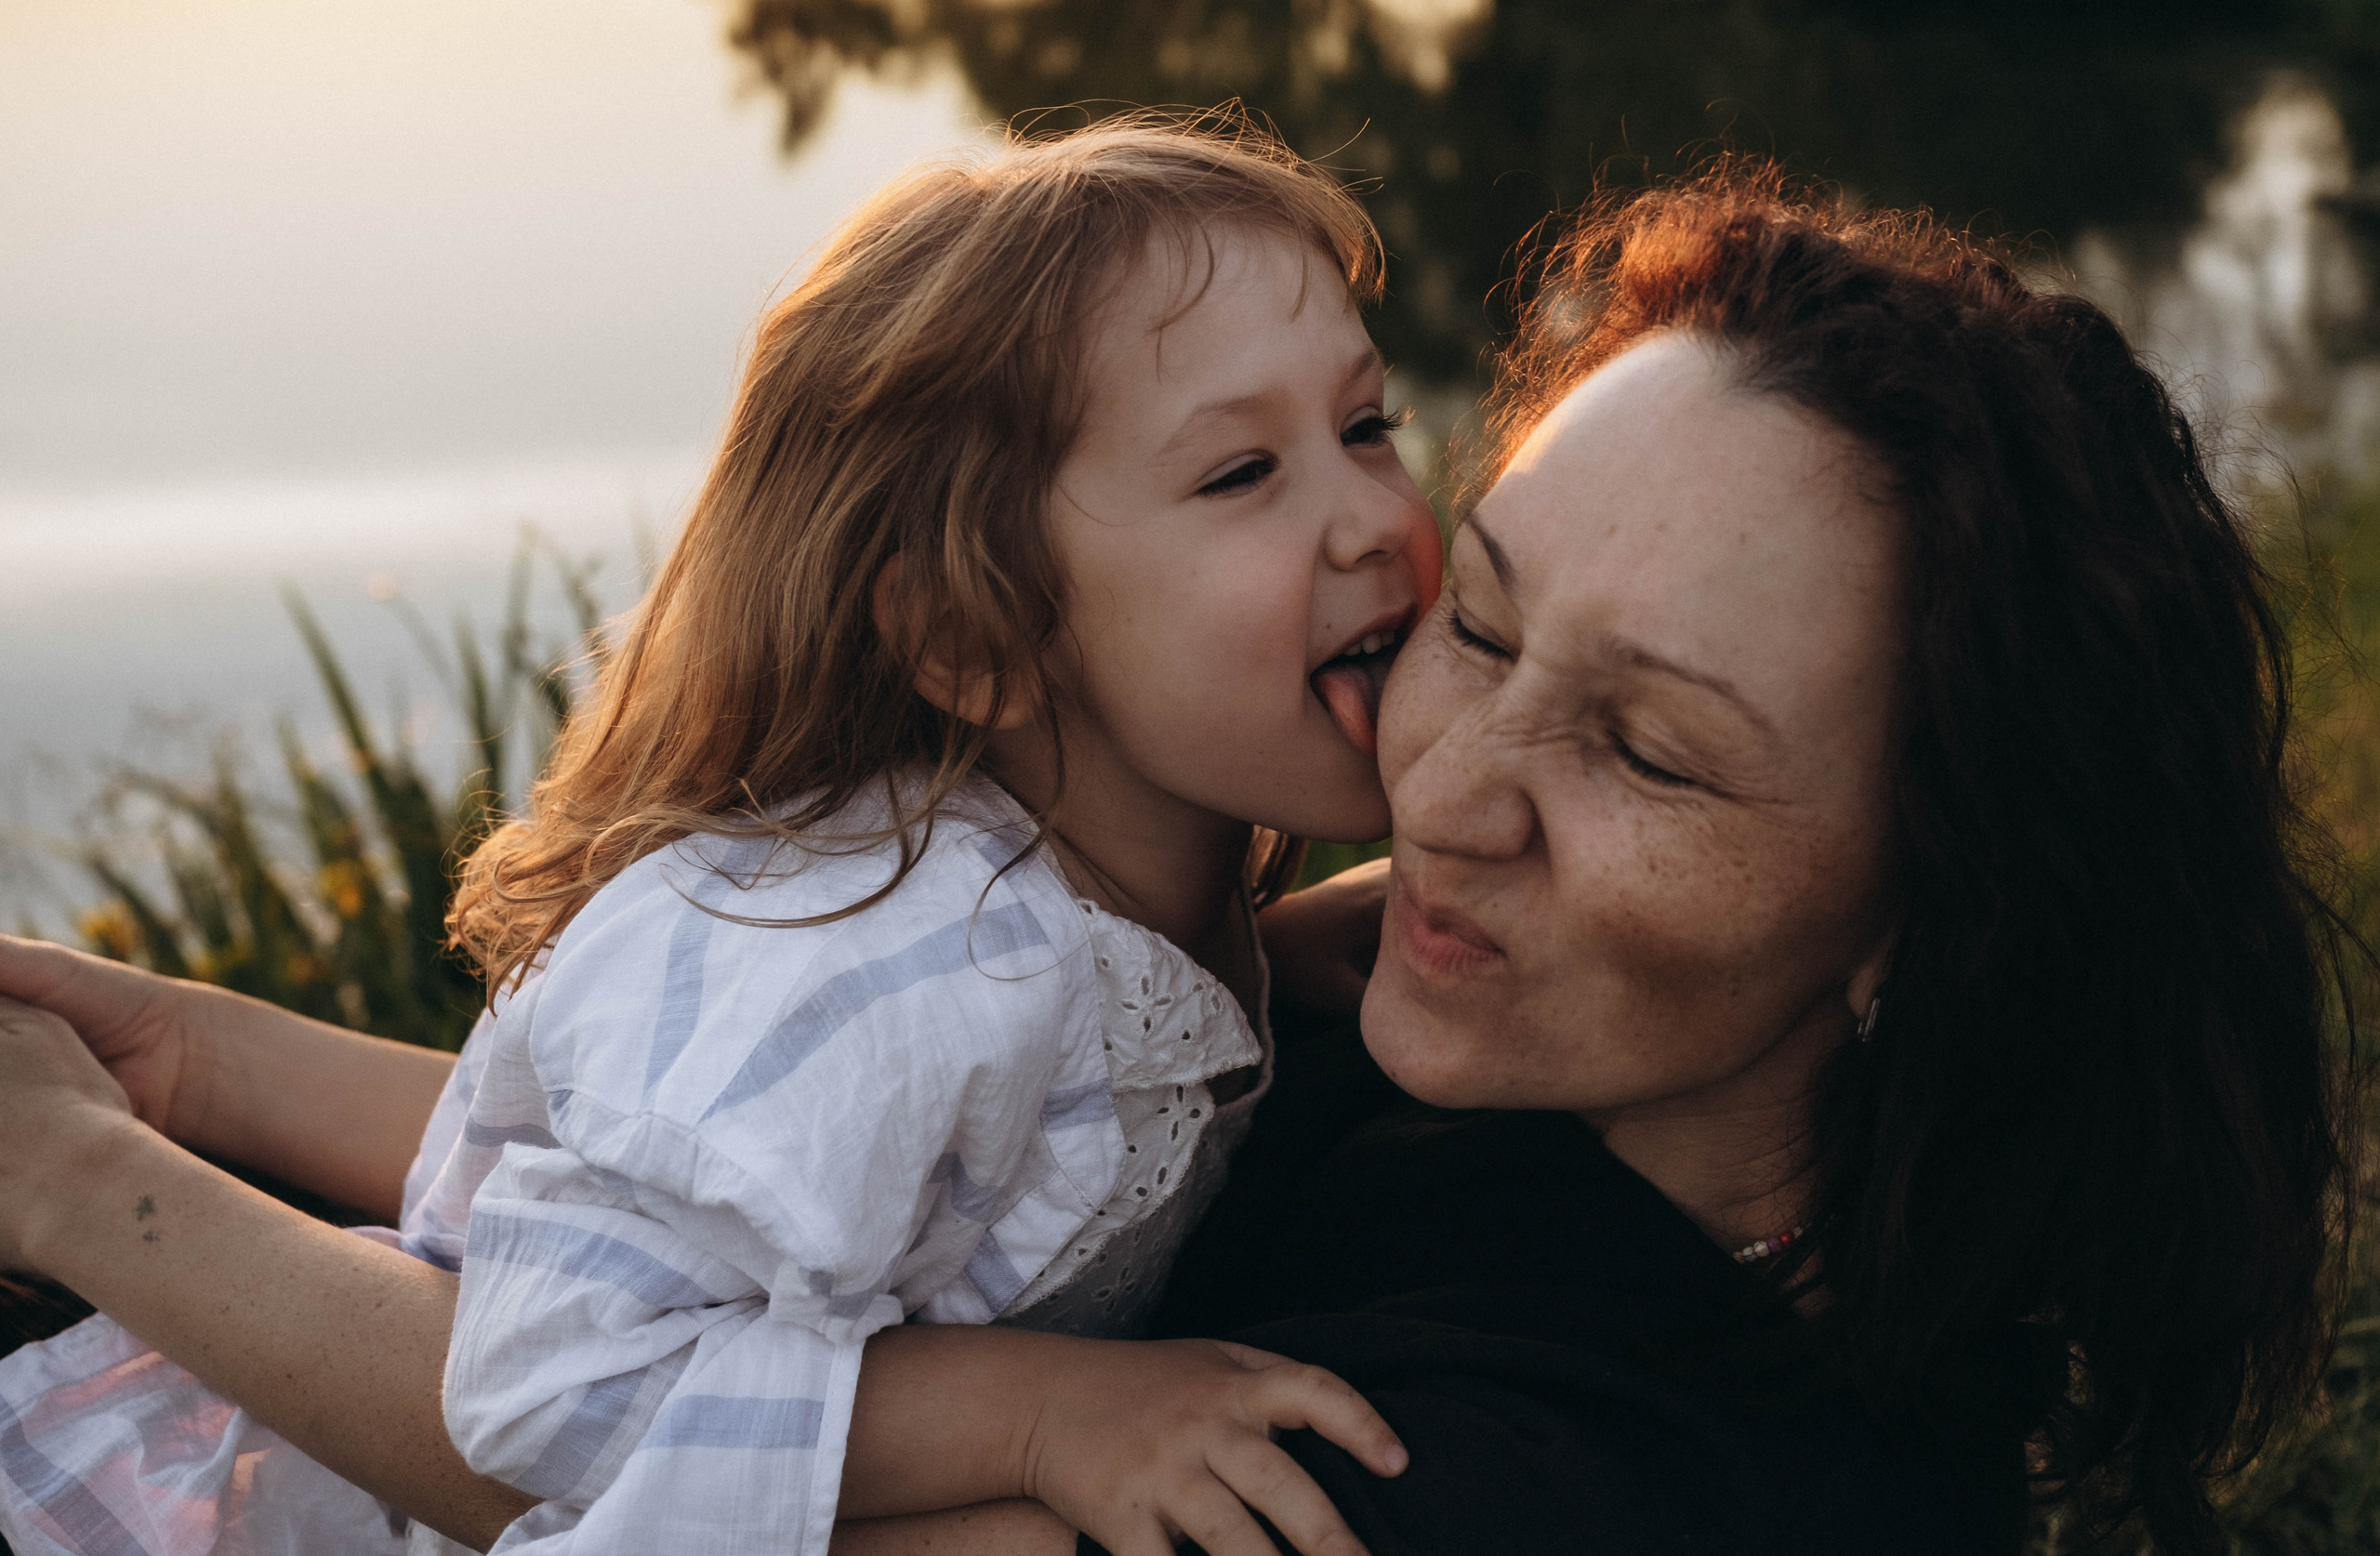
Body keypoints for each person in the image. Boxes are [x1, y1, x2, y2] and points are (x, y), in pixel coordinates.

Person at [0, 160, 2355, 1556]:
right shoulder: (1348, 998)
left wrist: (93, 1172)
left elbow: (566, 1412)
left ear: (1933, 912)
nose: (1442, 787)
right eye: (1487, 615)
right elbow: (703, 1191)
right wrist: (191, 1064)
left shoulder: (1526, 1473)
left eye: (1643, 749)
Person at [0, 112, 1437, 1556]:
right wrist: (1042, 1415)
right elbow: (546, 1381)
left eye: (1367, 425)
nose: (1375, 515)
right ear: (972, 637)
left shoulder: (1110, 907)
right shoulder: (891, 960)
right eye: (1240, 474)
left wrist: (1309, 944)